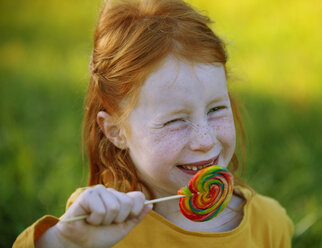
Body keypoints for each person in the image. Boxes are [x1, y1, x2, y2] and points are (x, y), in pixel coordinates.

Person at [13, 0, 293, 247]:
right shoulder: (97, 223)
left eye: (216, 108)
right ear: (115, 131)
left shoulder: (270, 225)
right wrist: (63, 242)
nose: (205, 140)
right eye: (175, 121)